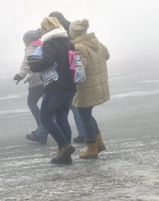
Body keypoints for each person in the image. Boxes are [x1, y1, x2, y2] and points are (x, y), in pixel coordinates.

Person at [29, 17, 76, 164]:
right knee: (62, 118)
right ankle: (65, 156)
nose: (42, 31)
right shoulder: (67, 42)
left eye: (43, 29)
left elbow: (48, 60)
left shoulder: (50, 42)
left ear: (47, 29)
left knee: (46, 117)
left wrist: (34, 66)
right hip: (69, 86)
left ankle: (64, 146)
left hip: (56, 86)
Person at [69, 19, 110, 159]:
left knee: (84, 115)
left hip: (86, 87)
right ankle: (99, 143)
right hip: (98, 84)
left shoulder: (79, 46)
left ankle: (92, 147)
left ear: (73, 33)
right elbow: (107, 55)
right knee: (87, 114)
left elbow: (81, 67)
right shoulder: (96, 42)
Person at [48, 11, 86, 143]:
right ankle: (84, 132)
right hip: (72, 76)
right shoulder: (70, 28)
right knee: (73, 107)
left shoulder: (60, 32)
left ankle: (81, 134)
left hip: (65, 77)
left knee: (65, 110)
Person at [14, 29, 48, 144]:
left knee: (31, 102)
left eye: (24, 41)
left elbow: (27, 63)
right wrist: (29, 76)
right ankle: (42, 130)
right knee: (46, 106)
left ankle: (41, 127)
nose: (24, 44)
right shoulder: (44, 45)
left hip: (37, 82)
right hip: (48, 79)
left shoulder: (30, 48)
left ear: (29, 40)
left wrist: (21, 75)